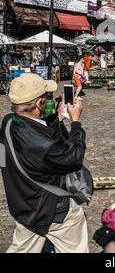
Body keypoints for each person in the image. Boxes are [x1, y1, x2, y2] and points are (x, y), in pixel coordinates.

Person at [0, 73, 89, 253]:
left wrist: (57, 119)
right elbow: (74, 156)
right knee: (76, 246)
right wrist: (76, 122)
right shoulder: (45, 147)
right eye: (46, 97)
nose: (47, 99)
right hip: (50, 209)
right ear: (39, 104)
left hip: (23, 205)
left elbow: (36, 131)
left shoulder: (8, 122)